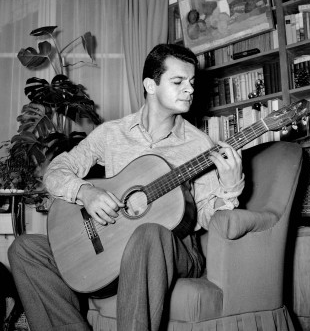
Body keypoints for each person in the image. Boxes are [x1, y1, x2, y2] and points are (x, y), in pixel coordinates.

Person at [8, 43, 244, 331]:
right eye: (179, 81)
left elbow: (207, 214)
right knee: (25, 249)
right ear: (150, 85)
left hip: (174, 247)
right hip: (114, 245)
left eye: (192, 83)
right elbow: (56, 171)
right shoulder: (112, 133)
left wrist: (230, 189)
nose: (190, 89)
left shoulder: (199, 146)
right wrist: (86, 192)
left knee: (147, 232)